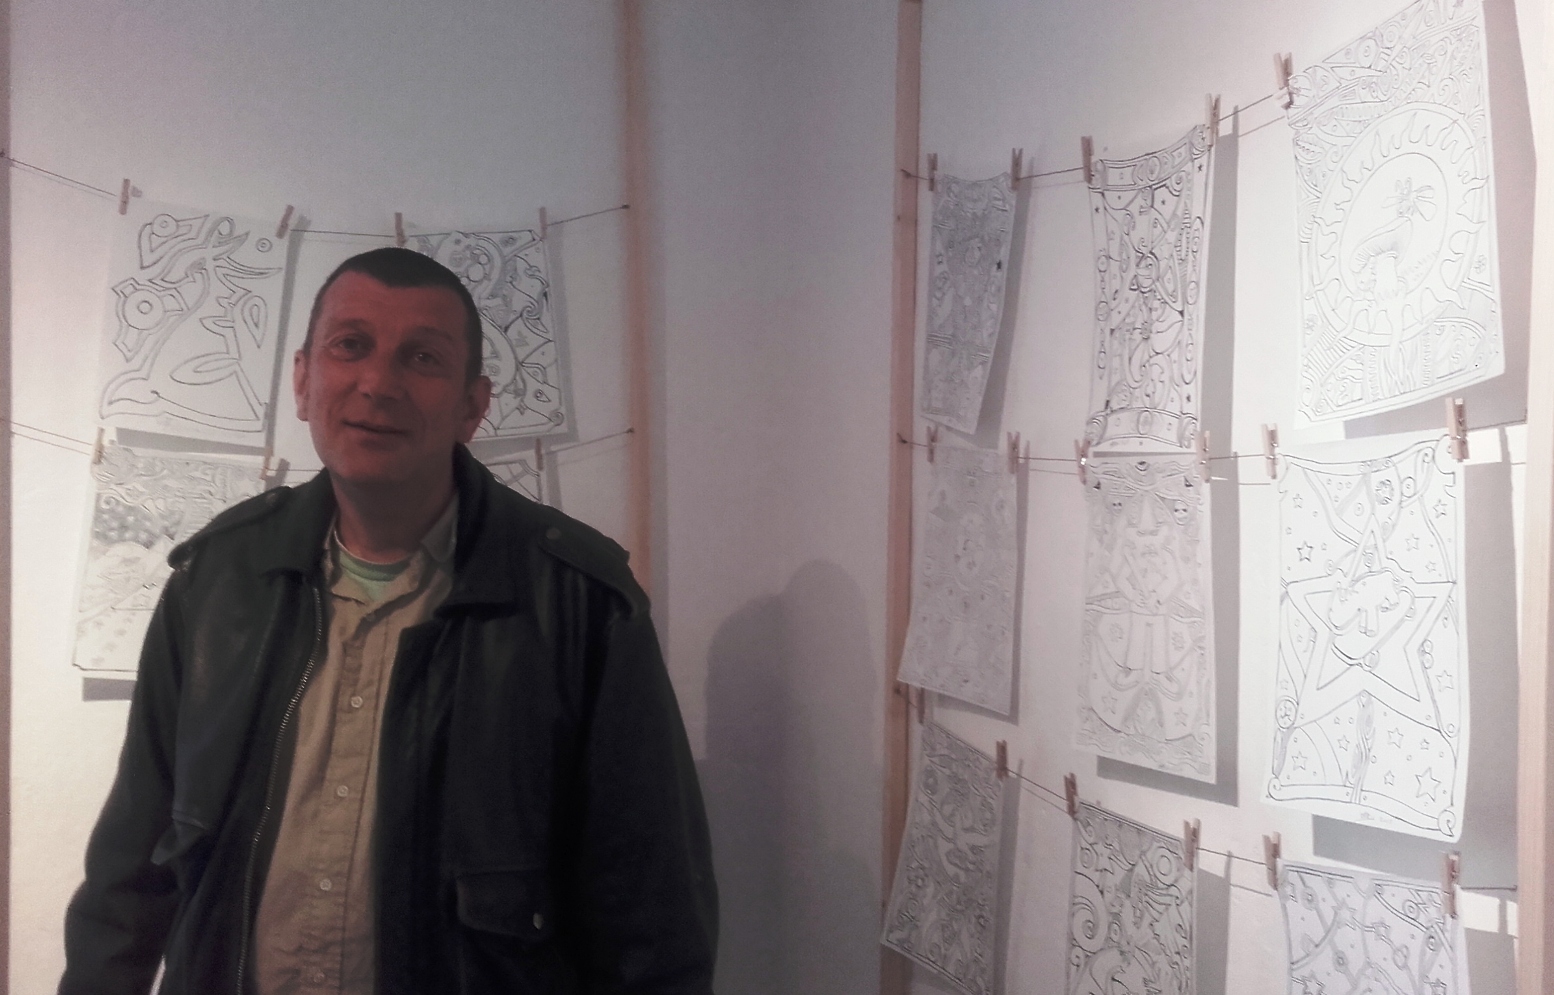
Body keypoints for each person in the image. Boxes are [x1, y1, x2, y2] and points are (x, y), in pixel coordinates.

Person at [59, 248, 717, 994]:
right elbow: (128, 876)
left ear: (472, 405)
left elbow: (652, 918)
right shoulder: (214, 582)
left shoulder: (581, 602)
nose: (378, 383)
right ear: (304, 380)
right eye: (351, 346)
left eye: (423, 357)